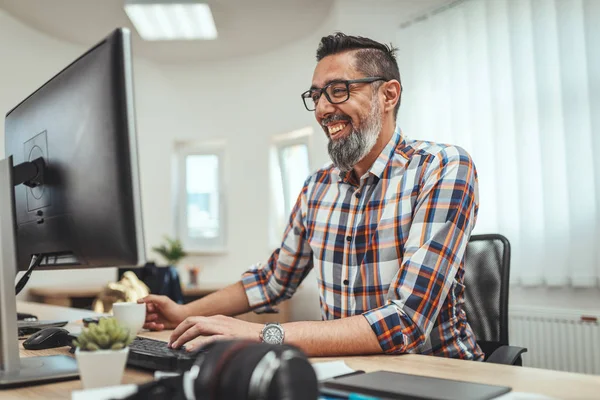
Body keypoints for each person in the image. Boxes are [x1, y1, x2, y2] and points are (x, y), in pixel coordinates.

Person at [139, 32, 484, 360]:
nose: (322, 110)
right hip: (351, 371)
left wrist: (262, 334)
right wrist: (181, 313)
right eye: (316, 95)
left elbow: (405, 321)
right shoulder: (318, 186)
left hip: (439, 373)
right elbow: (273, 279)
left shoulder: (442, 167)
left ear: (388, 95)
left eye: (338, 90)